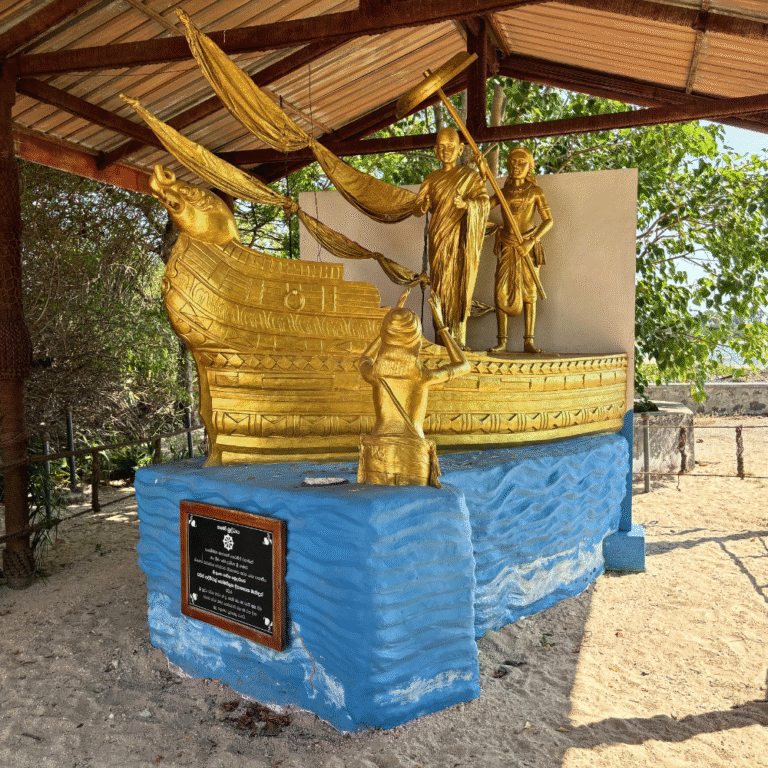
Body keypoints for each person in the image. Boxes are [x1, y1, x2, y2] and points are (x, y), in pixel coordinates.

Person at [357, 292, 470, 488]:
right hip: (413, 455)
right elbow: (463, 364)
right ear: (416, 338)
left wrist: (387, 328)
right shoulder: (422, 376)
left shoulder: (375, 374)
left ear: (386, 336)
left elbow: (363, 359)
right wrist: (441, 326)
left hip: (377, 453)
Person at [412, 127, 490, 349]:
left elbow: (483, 201)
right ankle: (441, 340)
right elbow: (417, 208)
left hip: (460, 240)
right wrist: (423, 206)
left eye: (451, 147)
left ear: (460, 149)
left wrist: (467, 205)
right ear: (435, 150)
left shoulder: (470, 176)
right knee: (441, 289)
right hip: (439, 238)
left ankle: (459, 340)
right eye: (441, 147)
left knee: (458, 287)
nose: (446, 151)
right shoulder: (432, 178)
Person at [488, 146, 553, 354]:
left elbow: (548, 220)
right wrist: (482, 176)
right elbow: (482, 206)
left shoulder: (535, 192)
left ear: (530, 167)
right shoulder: (502, 192)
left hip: (528, 246)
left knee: (529, 291)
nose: (516, 167)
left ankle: (528, 341)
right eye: (512, 163)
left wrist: (531, 241)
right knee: (500, 290)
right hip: (507, 244)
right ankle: (502, 341)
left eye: (522, 163)